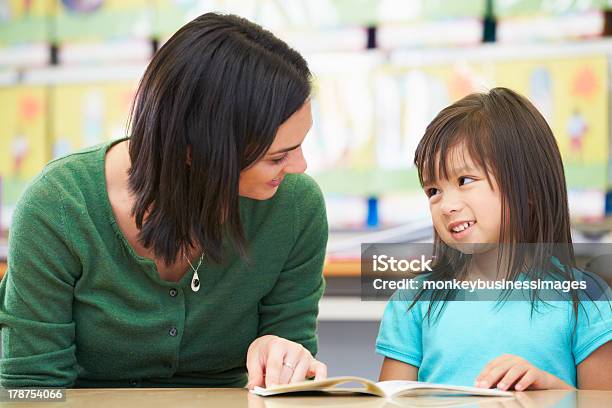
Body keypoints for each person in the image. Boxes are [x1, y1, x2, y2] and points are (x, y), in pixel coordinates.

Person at [0, 13, 328, 389]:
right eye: (277, 156)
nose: (300, 167)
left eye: (300, 146)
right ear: (194, 151)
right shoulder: (57, 207)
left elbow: (292, 373)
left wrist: (286, 356)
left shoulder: (296, 208)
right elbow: (30, 389)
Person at [376, 87, 612, 390]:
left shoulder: (584, 299)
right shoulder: (414, 302)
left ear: (527, 190)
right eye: (433, 190)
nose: (446, 205)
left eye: (465, 181)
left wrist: (552, 391)